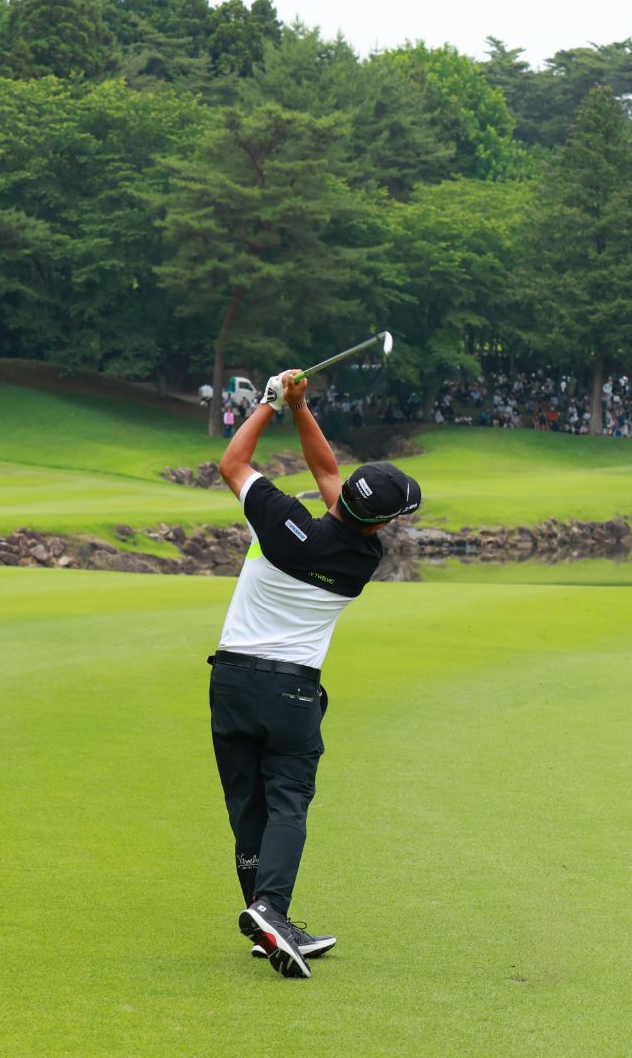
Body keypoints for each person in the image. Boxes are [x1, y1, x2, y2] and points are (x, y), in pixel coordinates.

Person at [210, 367, 422, 980]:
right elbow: (329, 478)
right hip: (292, 693)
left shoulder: (280, 521)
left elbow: (232, 464)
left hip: (230, 680)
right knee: (287, 801)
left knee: (248, 807)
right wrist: (300, 408)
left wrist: (273, 404)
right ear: (379, 522)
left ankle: (268, 918)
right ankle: (270, 911)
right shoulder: (364, 556)